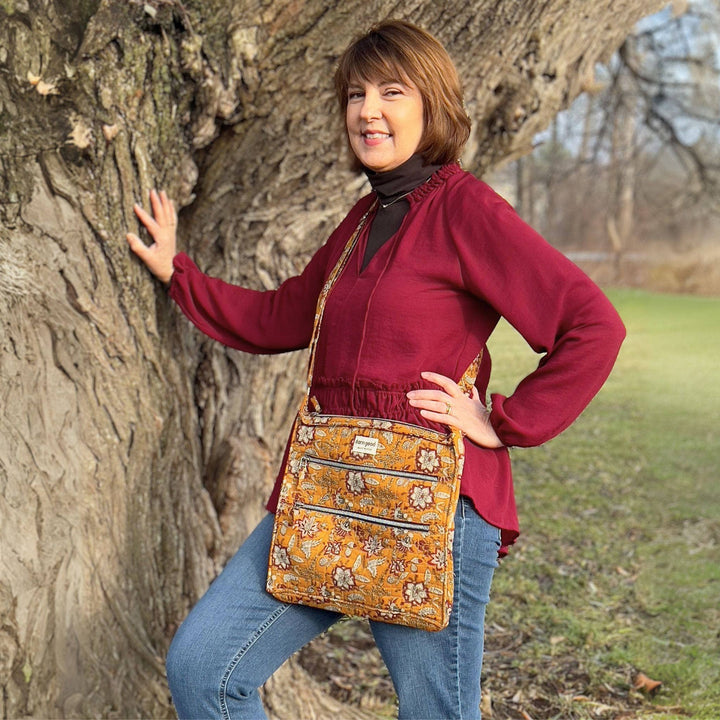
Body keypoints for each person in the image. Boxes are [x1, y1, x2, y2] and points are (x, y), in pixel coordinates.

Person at [127, 19, 625, 720]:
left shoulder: (468, 210)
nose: (369, 110)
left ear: (434, 106)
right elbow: (284, 316)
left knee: (434, 713)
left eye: (392, 91)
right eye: (356, 93)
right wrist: (177, 273)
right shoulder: (364, 218)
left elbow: (594, 324)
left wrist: (501, 420)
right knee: (205, 667)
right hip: (327, 489)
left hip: (432, 501)